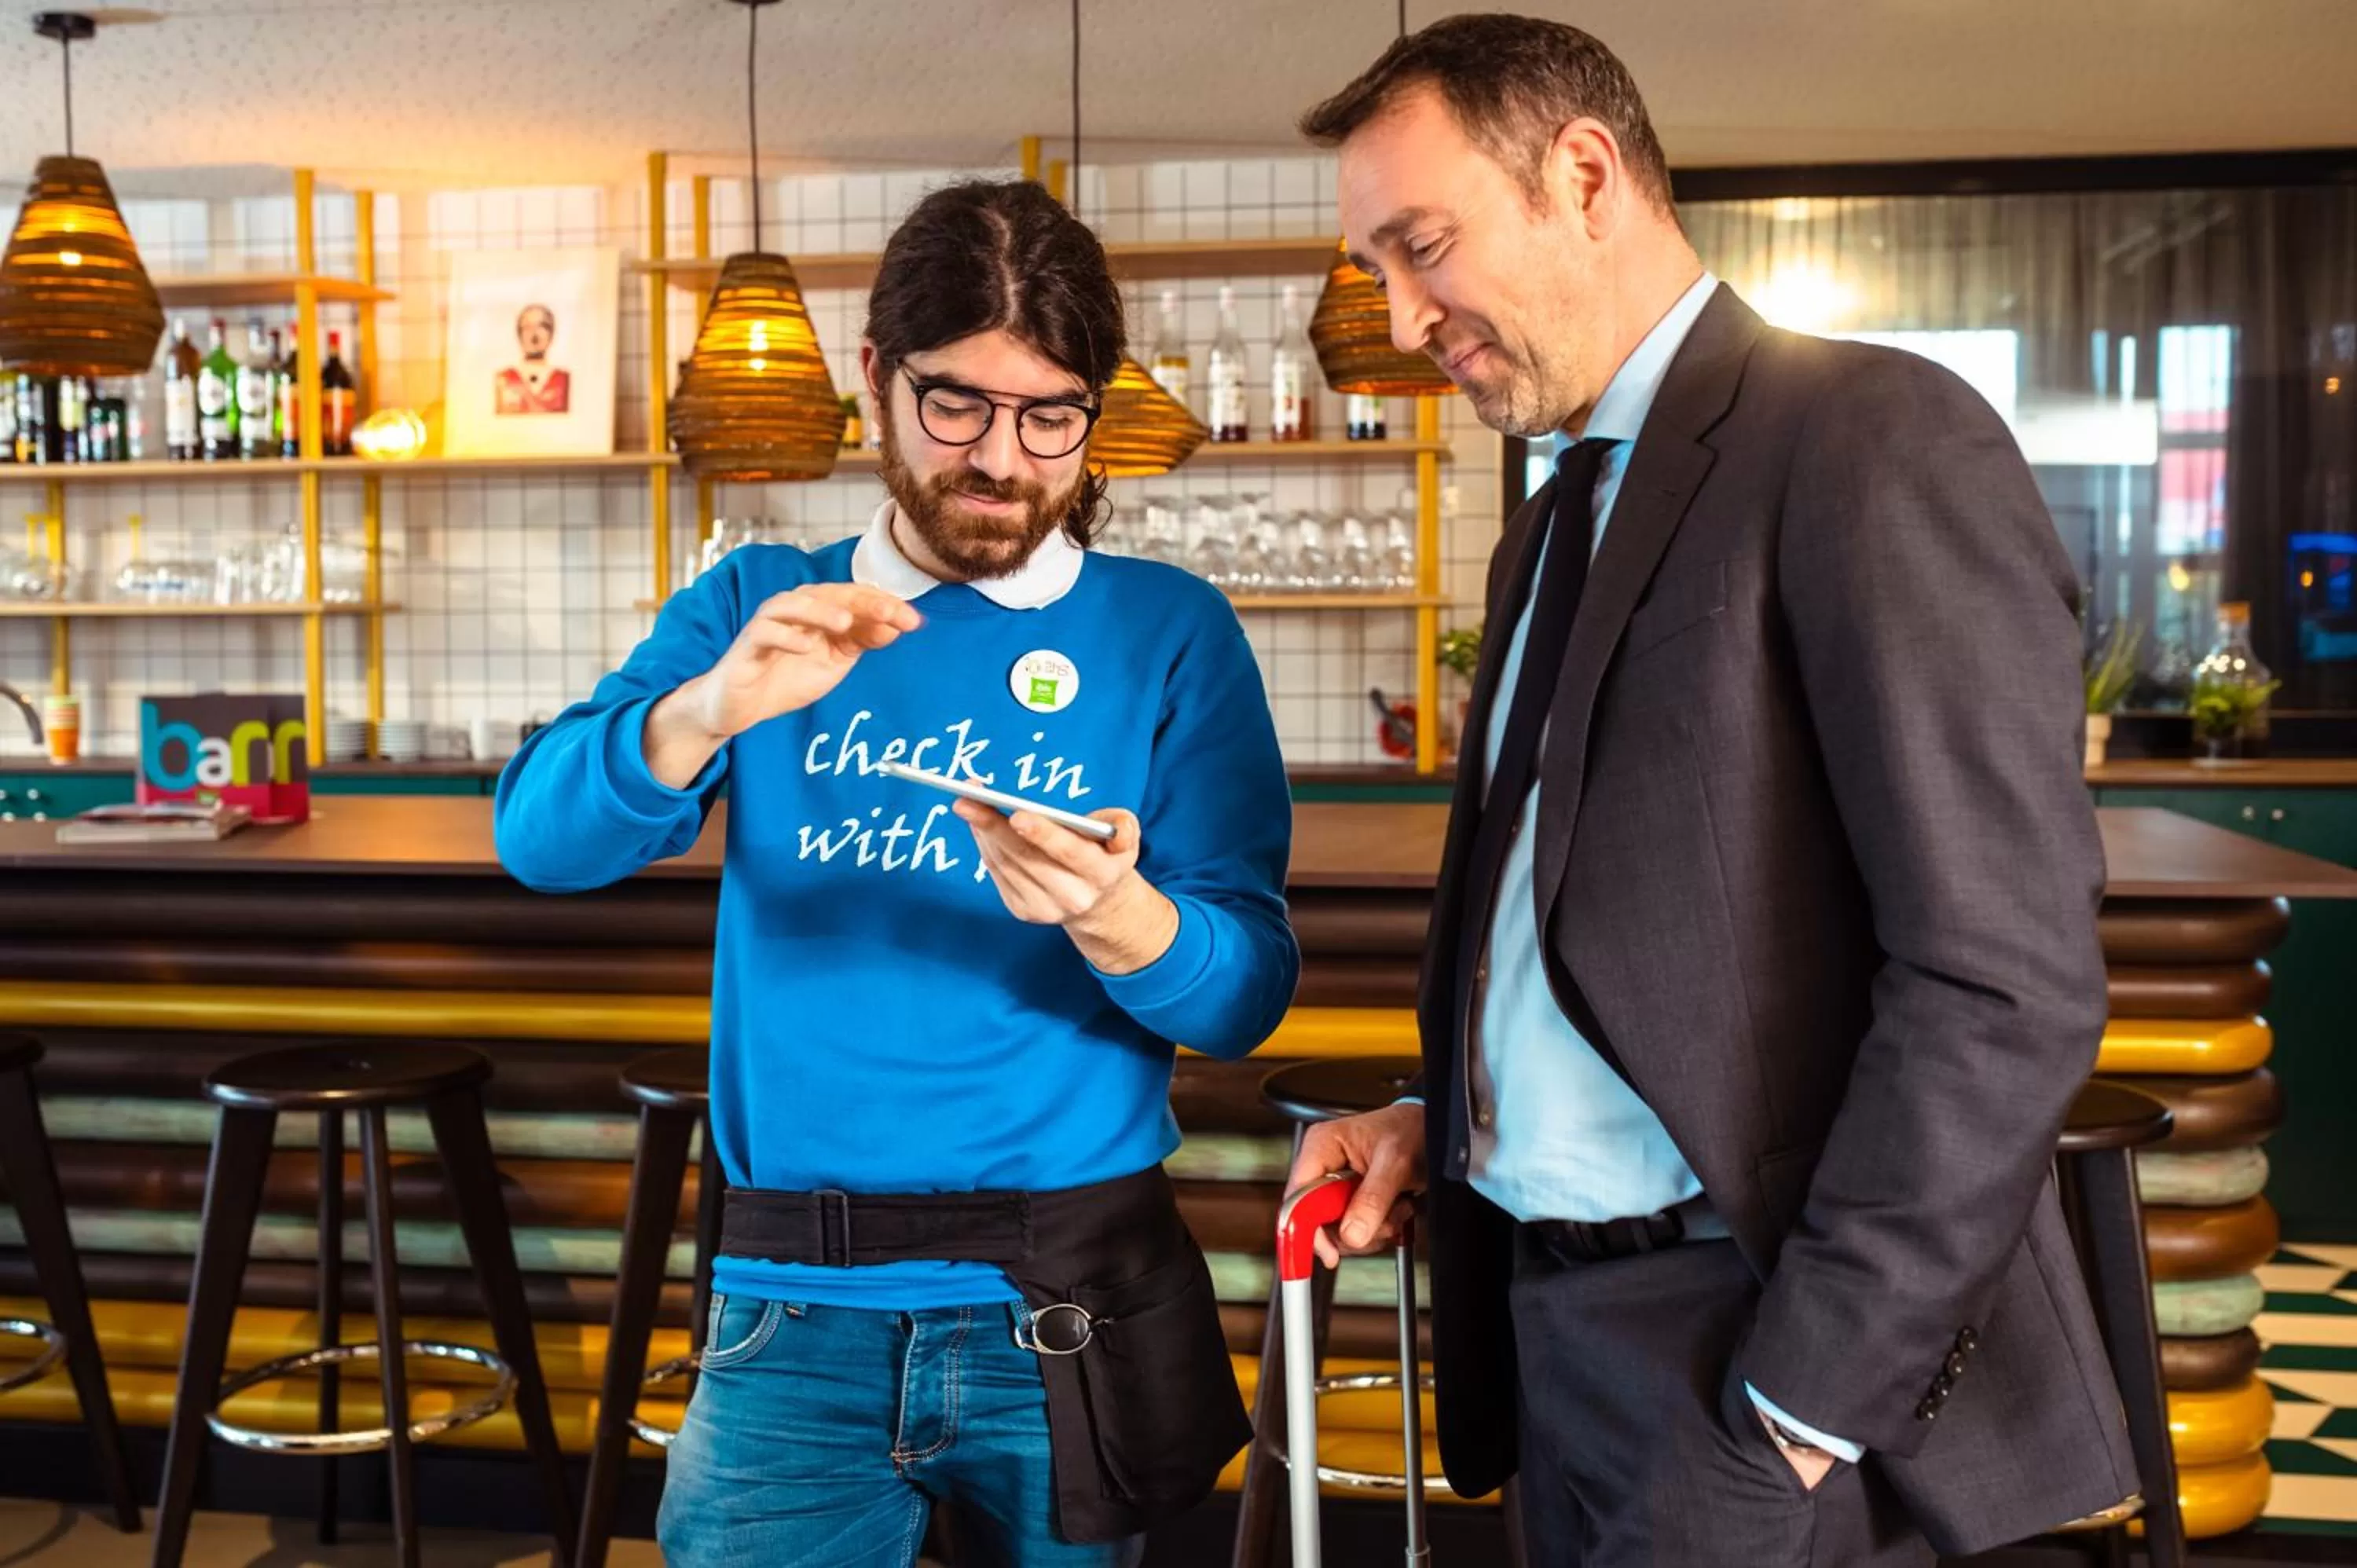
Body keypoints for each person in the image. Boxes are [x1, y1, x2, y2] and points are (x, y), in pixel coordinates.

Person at [1286, 16, 2139, 1565]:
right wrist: (1451, 1114)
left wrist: (1800, 1410)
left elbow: (1999, 980)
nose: (1404, 321)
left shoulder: (1869, 434)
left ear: (1586, 174)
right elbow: (1641, 920)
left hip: (1762, 1353)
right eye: (1380, 274)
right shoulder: (1552, 518)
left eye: (1420, 248)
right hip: (1562, 1342)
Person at [496, 178, 1298, 1566]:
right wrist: (707, 711)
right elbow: (539, 840)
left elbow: (1241, 997)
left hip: (1069, 1303)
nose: (1003, 460)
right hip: (787, 1304)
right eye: (960, 406)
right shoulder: (758, 604)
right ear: (876, 377)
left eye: (1052, 416)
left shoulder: (1172, 632)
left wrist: (1121, 916)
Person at [495, 304, 571, 413]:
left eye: (542, 326)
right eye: (527, 327)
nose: (534, 334)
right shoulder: (504, 378)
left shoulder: (563, 379)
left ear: (552, 333)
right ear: (519, 334)